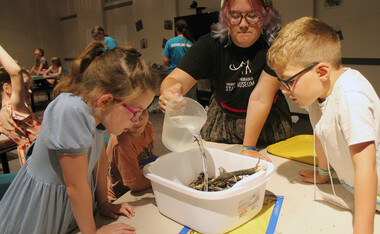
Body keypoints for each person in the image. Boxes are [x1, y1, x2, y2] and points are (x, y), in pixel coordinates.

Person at [267, 17, 380, 233]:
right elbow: (322, 133)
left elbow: (366, 169)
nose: (284, 90)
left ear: (321, 72)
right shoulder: (318, 94)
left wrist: (362, 230)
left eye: (289, 81)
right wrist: (323, 173)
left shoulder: (351, 98)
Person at [0, 41, 158, 233]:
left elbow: (99, 160)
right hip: (41, 208)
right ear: (107, 100)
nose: (137, 120)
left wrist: (103, 202)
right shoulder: (70, 111)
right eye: (136, 112)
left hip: (67, 204)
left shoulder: (96, 111)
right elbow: (75, 186)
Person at [159, 0, 293, 161]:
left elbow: (261, 97)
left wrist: (249, 147)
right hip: (223, 118)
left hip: (267, 119)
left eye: (252, 16)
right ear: (225, 17)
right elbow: (175, 78)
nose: (243, 24)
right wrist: (171, 92)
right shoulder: (210, 44)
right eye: (235, 16)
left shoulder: (276, 45)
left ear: (265, 16)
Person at [0, 45, 41, 165]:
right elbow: (16, 72)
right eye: (25, 87)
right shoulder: (14, 107)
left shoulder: (4, 111)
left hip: (31, 158)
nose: (30, 91)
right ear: (7, 88)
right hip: (37, 156)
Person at [107, 108, 158, 203]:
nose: (138, 120)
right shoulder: (123, 144)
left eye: (142, 111)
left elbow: (147, 155)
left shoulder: (147, 126)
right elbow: (135, 184)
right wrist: (160, 178)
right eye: (131, 113)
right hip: (120, 196)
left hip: (141, 176)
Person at [162, 19, 197, 100]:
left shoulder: (170, 42)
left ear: (176, 29)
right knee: (189, 103)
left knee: (175, 103)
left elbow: (165, 60)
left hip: (173, 77)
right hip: (189, 78)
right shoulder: (191, 43)